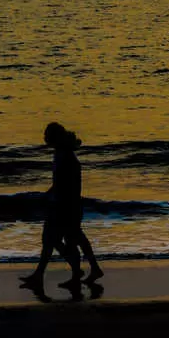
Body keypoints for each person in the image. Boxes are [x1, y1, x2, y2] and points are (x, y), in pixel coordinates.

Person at [19, 122, 104, 290]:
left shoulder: (65, 156)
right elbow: (60, 182)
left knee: (59, 240)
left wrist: (51, 199)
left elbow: (64, 184)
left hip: (65, 206)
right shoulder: (62, 154)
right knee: (66, 239)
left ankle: (77, 271)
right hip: (67, 204)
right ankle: (87, 269)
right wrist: (48, 195)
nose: (44, 138)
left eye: (47, 135)